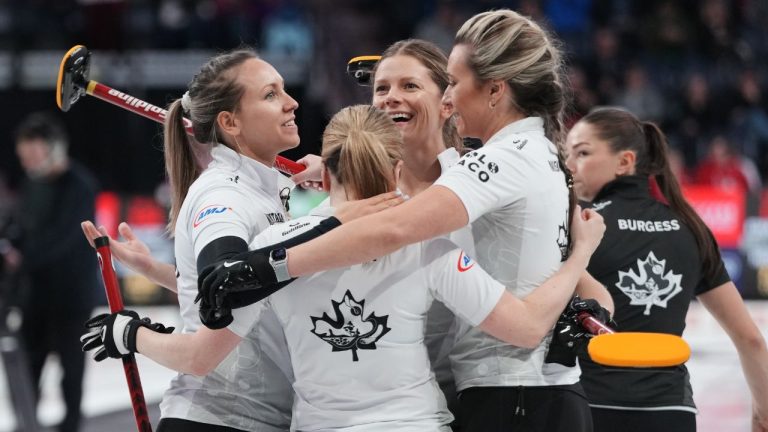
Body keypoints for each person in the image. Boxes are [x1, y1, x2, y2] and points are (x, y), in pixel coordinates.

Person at [201, 9, 609, 432]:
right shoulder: (515, 159)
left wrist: (268, 263)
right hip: (462, 401)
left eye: (415, 85)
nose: (389, 97)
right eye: (381, 88)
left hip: (494, 393)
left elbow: (393, 229)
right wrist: (341, 182)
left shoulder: (479, 176)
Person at [79, 49, 402, 432]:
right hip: (219, 419)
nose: (291, 102)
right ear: (230, 122)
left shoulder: (265, 188)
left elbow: (252, 288)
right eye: (271, 95)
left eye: (283, 90)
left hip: (256, 419)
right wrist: (132, 334)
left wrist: (162, 273)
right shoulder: (223, 196)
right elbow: (226, 281)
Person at [564, 106, 768, 432]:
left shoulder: (579, 223)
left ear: (625, 162)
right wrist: (763, 410)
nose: (569, 165)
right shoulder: (690, 228)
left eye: (582, 153)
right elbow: (751, 340)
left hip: (591, 406)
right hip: (672, 411)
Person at [14, 112, 101, 432]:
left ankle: (71, 426)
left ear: (53, 148)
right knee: (28, 367)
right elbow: (23, 228)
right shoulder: (30, 184)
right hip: (36, 293)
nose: (28, 163)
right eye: (24, 157)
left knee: (71, 368)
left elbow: (63, 237)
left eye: (33, 155)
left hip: (72, 296)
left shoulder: (81, 186)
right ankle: (27, 423)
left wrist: (20, 258)